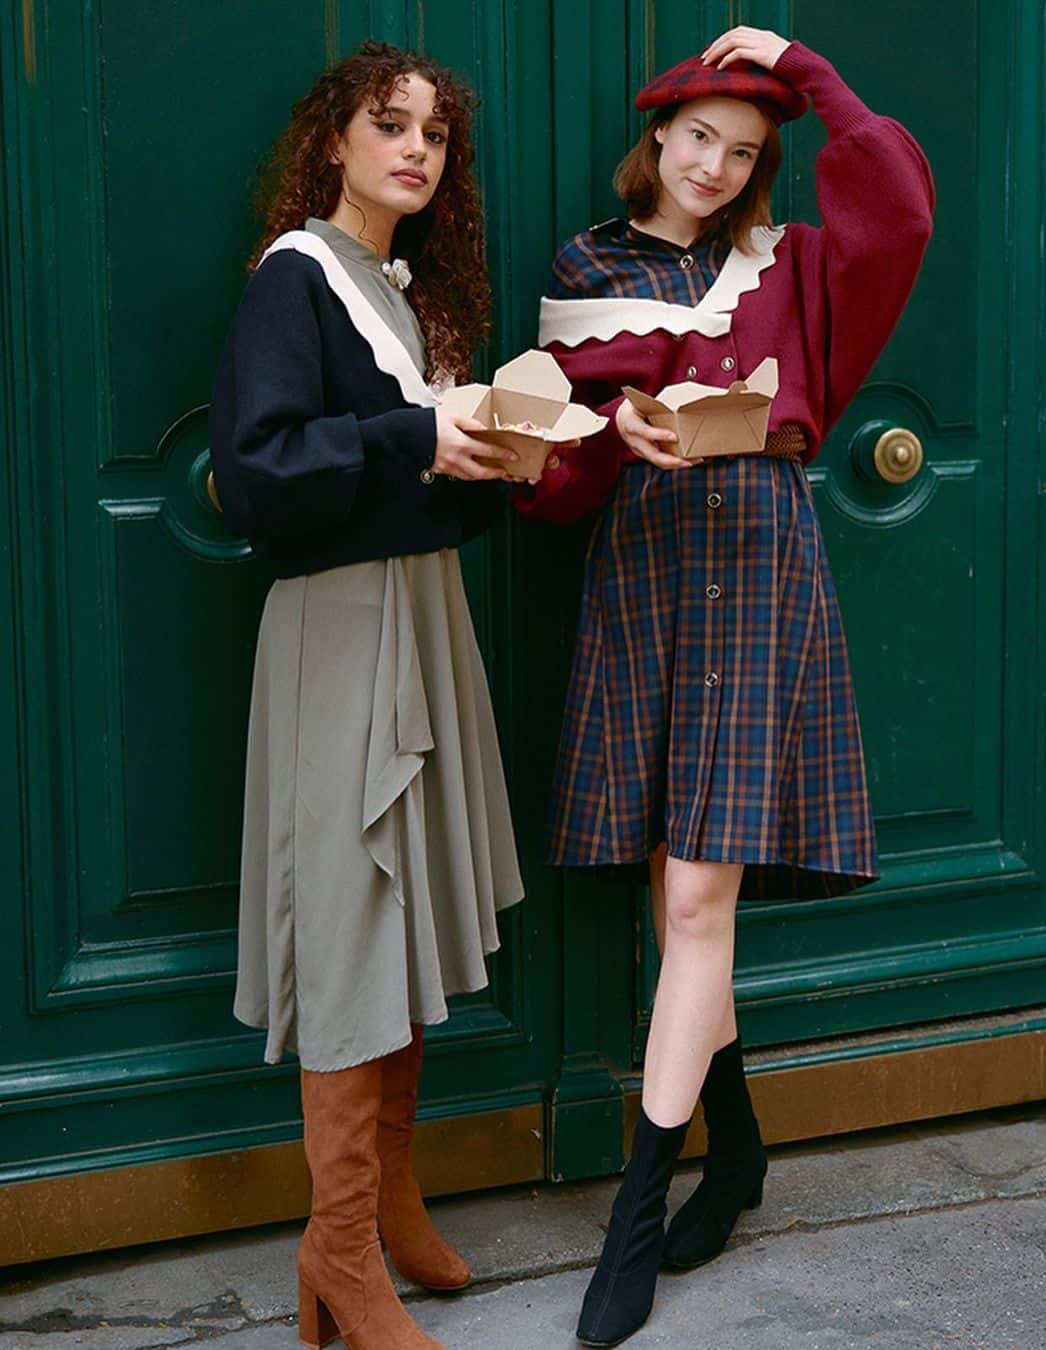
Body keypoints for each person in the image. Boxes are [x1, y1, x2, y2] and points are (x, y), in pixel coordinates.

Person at [514, 25, 934, 1346]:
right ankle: (737, 1146)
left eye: (745, 150)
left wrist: (809, 70)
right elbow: (560, 482)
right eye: (699, 136)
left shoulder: (794, 266)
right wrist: (602, 440)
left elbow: (903, 206)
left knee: (697, 895)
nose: (714, 165)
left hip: (757, 564)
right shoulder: (589, 265)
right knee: (678, 896)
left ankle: (634, 1216)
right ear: (658, 135)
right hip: (643, 568)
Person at [210, 41, 527, 1350]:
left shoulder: (404, 297)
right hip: (341, 634)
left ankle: (389, 1201)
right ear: (329, 142)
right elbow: (258, 469)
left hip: (424, 619)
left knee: (403, 924)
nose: (414, 148)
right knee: (350, 929)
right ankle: (336, 1245)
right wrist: (417, 436)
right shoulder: (298, 278)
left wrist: (504, 449)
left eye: (435, 135)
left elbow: (411, 465)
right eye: (386, 125)